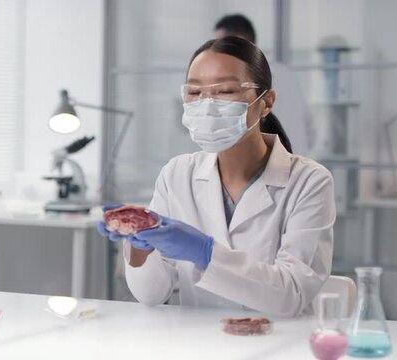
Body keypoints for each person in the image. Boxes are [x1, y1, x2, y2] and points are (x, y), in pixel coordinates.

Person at [97, 36, 335, 317]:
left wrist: (205, 253)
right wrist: (141, 245)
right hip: (202, 345)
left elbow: (291, 294)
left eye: (225, 91)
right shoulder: (177, 174)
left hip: (278, 343)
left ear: (266, 101)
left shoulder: (309, 182)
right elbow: (151, 295)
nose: (207, 105)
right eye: (195, 93)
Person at [215, 13, 314, 155]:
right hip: (296, 162)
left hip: (267, 166)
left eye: (220, 45)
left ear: (238, 41)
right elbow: (310, 128)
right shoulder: (286, 73)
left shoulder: (244, 77)